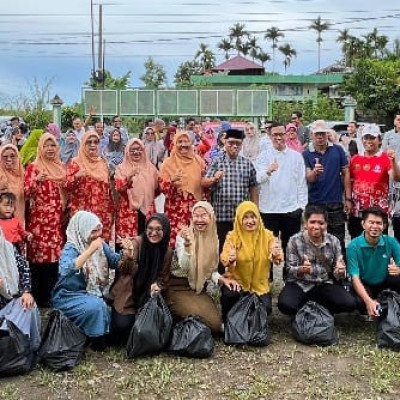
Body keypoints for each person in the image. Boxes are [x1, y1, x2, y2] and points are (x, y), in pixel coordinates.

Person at [52, 211, 122, 350]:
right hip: (69, 294)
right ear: (83, 230)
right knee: (97, 306)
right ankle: (97, 340)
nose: (97, 235)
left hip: (93, 292)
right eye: (93, 231)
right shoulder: (72, 247)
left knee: (106, 309)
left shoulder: (99, 244)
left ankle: (95, 335)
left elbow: (114, 261)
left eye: (99, 230)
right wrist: (90, 250)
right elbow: (65, 270)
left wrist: (127, 252)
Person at [278, 205, 356, 316]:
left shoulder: (334, 241)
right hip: (300, 284)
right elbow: (290, 269)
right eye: (312, 222)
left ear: (326, 225)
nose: (316, 226)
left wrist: (340, 271)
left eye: (321, 223)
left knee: (349, 304)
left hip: (324, 283)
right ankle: (306, 307)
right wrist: (302, 269)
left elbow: (337, 273)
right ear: (305, 224)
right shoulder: (294, 240)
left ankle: (319, 306)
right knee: (286, 305)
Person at [108, 213, 172, 344]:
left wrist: (157, 286)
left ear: (165, 230)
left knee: (147, 329)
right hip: (129, 293)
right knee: (122, 326)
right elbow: (125, 271)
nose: (153, 233)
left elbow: (163, 279)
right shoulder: (136, 243)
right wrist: (130, 256)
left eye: (158, 229)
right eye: (150, 228)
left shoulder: (167, 252)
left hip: (147, 296)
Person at [220, 201, 283, 320]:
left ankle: (248, 320)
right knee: (229, 295)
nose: (250, 221)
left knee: (266, 308)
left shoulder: (268, 236)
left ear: (258, 217)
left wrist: (275, 254)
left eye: (253, 216)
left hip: (259, 286)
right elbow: (224, 258)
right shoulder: (232, 236)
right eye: (245, 217)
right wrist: (231, 259)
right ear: (239, 219)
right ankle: (228, 320)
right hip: (237, 282)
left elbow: (278, 258)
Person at [166, 201, 223, 334]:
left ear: (211, 217)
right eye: (196, 216)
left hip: (196, 288)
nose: (199, 220)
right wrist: (187, 245)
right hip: (177, 286)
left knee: (215, 323)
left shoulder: (214, 238)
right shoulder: (184, 235)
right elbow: (184, 266)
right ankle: (173, 315)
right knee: (210, 324)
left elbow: (209, 270)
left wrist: (221, 279)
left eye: (204, 215)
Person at [24, 133, 67, 307]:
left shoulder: (61, 167)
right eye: (46, 146)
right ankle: (39, 295)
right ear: (41, 148)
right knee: (37, 256)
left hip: (56, 220)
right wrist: (36, 181)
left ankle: (51, 294)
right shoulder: (34, 167)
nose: (50, 149)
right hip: (39, 222)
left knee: (54, 256)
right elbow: (26, 192)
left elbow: (67, 190)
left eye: (53, 146)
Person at [254, 122, 307, 257]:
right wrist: (268, 171)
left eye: (281, 134)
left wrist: (301, 206)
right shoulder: (262, 157)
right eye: (275, 135)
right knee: (266, 248)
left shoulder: (296, 157)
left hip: (291, 209)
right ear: (270, 136)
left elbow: (301, 183)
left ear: (286, 135)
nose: (278, 138)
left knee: (291, 248)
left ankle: (290, 276)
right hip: (268, 209)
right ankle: (267, 277)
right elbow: (257, 179)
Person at [203, 128, 259, 254]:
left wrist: (255, 210)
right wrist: (214, 178)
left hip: (242, 216)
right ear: (225, 143)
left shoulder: (247, 164)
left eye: (238, 144)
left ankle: (241, 273)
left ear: (241, 145)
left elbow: (253, 188)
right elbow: (204, 183)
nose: (234, 146)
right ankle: (223, 273)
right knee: (223, 248)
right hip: (222, 215)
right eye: (231, 143)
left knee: (243, 248)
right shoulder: (217, 162)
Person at [303, 120, 351, 253]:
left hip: (335, 201)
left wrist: (348, 198)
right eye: (317, 134)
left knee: (338, 239)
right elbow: (308, 178)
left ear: (327, 134)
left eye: (322, 134)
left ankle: (338, 270)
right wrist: (315, 172)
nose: (320, 137)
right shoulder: (306, 154)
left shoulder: (337, 150)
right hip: (315, 202)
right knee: (315, 239)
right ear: (312, 135)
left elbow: (346, 173)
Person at [348, 124, 400, 239]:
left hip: (378, 214)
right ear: (361, 139)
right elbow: (350, 181)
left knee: (379, 245)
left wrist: (393, 161)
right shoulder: (355, 159)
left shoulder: (386, 158)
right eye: (366, 138)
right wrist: (347, 200)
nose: (368, 141)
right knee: (357, 243)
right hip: (358, 212)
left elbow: (397, 178)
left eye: (372, 138)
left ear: (380, 140)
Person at [347, 207, 400, 318]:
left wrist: (399, 269)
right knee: (360, 303)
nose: (375, 226)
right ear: (363, 224)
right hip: (364, 283)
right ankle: (375, 304)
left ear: (384, 226)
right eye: (371, 222)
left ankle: (386, 303)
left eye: (379, 223)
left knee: (397, 277)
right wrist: (368, 301)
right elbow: (355, 277)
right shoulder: (353, 246)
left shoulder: (391, 242)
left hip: (384, 282)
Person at [159, 131, 206, 248]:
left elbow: (205, 183)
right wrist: (172, 181)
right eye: (180, 142)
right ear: (175, 144)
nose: (183, 145)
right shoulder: (168, 163)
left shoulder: (198, 161)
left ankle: (195, 266)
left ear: (191, 143)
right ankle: (175, 266)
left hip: (195, 210)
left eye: (186, 141)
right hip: (175, 211)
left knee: (196, 243)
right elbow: (161, 187)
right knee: (175, 242)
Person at [65, 131, 113, 242]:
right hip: (82, 212)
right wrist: (76, 176)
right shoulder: (76, 162)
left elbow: (108, 189)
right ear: (83, 144)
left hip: (101, 212)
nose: (92, 145)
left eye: (96, 142)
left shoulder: (103, 162)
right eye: (89, 142)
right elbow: (66, 185)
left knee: (100, 248)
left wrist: (111, 212)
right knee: (83, 246)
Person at [0, 226, 41, 351]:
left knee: (27, 305)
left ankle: (25, 349)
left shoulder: (8, 248)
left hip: (9, 303)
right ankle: (11, 346)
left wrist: (26, 291)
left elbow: (24, 270)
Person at [115, 139, 158, 242]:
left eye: (139, 149)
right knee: (129, 245)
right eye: (132, 150)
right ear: (127, 152)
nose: (136, 152)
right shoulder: (121, 168)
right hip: (129, 210)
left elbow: (158, 188)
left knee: (148, 240)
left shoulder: (151, 168)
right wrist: (128, 177)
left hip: (148, 209)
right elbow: (119, 188)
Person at [0, 144, 25, 222]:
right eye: (5, 157)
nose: (9, 159)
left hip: (19, 219)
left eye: (12, 156)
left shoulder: (22, 175)